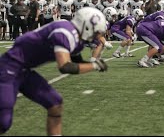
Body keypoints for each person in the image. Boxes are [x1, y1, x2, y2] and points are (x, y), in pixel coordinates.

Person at [0, 7, 108, 135]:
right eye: (95, 32)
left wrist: (92, 64)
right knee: (3, 122)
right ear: (86, 26)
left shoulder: (76, 38)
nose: (96, 36)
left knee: (55, 104)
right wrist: (95, 66)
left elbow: (76, 62)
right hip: (8, 68)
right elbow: (65, 67)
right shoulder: (64, 31)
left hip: (24, 70)